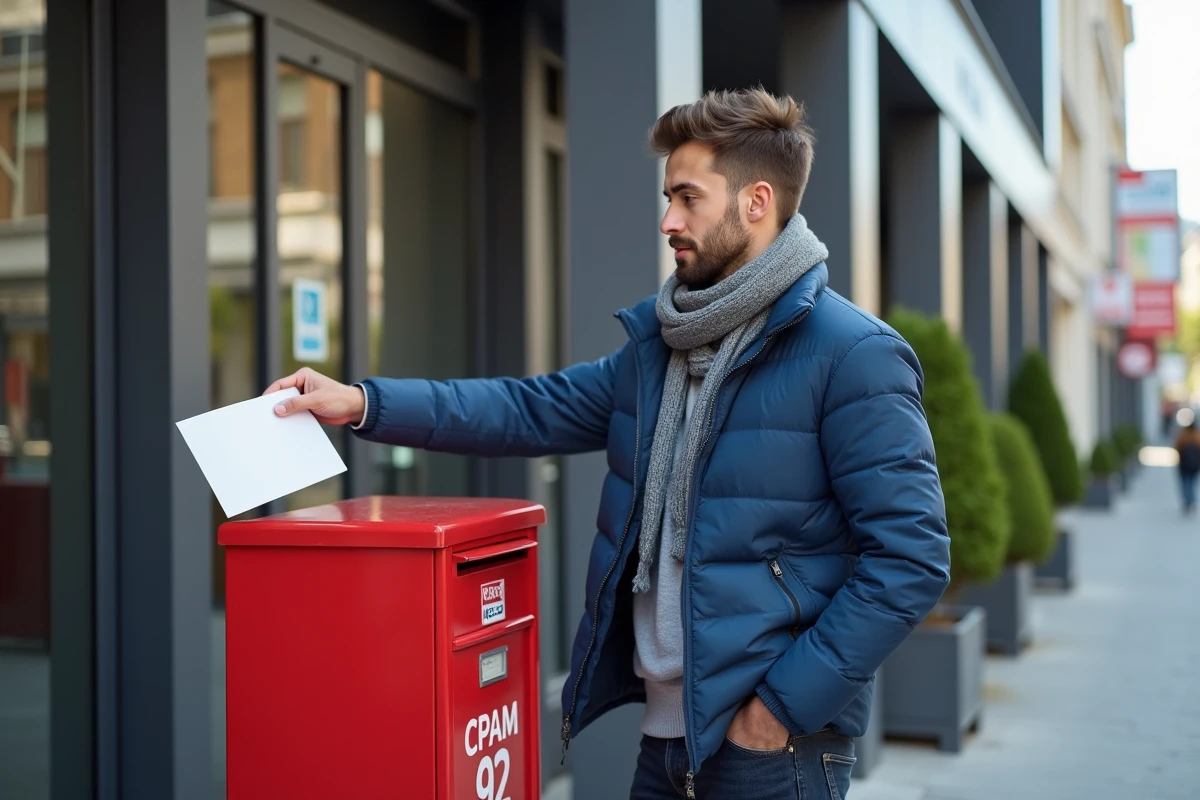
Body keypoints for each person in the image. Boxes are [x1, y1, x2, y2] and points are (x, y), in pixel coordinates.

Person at [265, 88, 950, 799]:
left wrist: (778, 709)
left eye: (688, 198)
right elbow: (527, 409)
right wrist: (364, 403)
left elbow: (911, 558)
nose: (668, 220)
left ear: (757, 202)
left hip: (770, 750)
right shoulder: (659, 349)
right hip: (665, 739)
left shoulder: (854, 355)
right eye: (668, 197)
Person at [1175, 420, 1200, 513]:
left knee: (1185, 482)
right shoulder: (1197, 435)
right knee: (1192, 482)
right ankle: (1191, 500)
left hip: (1184, 464)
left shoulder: (1183, 435)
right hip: (1195, 465)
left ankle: (1187, 500)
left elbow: (1177, 447)